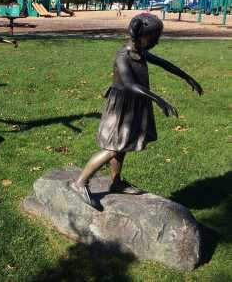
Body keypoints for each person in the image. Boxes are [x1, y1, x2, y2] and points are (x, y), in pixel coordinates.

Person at [70, 13, 203, 210]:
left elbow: (165, 64)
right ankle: (80, 183)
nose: (157, 42)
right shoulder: (123, 55)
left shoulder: (140, 52)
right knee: (112, 148)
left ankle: (116, 182)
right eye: (155, 38)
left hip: (134, 104)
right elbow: (130, 84)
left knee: (124, 144)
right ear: (143, 36)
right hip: (121, 106)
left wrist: (187, 77)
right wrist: (158, 99)